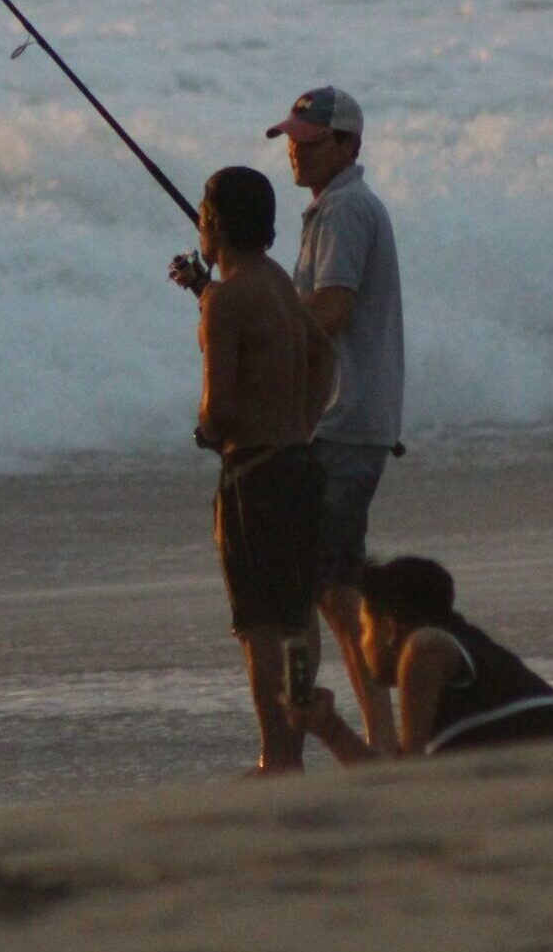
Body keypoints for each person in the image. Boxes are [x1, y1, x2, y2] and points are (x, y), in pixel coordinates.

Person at [183, 165, 336, 775]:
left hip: (254, 477)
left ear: (214, 223)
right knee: (297, 617)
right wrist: (301, 421)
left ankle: (277, 756)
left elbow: (217, 404)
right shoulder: (275, 283)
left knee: (259, 625)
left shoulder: (227, 299)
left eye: (202, 214)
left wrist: (208, 433)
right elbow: (321, 352)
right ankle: (294, 746)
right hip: (297, 465)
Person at [270, 86, 408, 755]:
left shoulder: (346, 209)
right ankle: (368, 732)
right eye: (292, 137)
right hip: (341, 421)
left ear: (348, 145)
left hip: (344, 421)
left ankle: (388, 733)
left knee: (331, 584)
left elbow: (330, 314)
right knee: (324, 584)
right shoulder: (333, 208)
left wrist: (261, 311)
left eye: (310, 139)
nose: (294, 149)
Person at [289, 555, 553, 762]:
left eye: (365, 629)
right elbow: (396, 787)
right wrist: (329, 728)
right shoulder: (471, 646)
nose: (362, 642)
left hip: (552, 763)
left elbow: (411, 782)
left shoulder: (423, 649)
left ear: (389, 629)